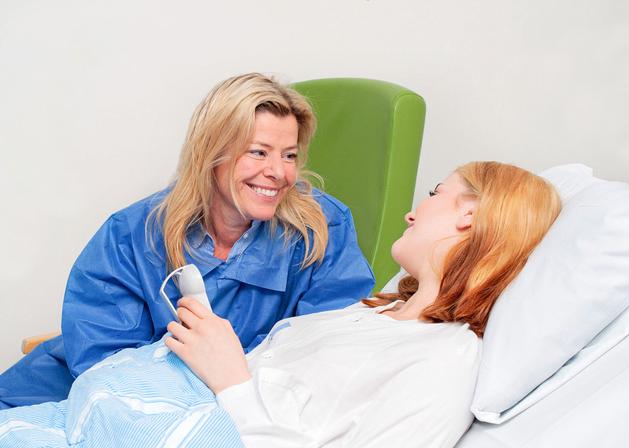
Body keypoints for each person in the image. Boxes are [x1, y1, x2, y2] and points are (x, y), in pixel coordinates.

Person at [0, 161, 561, 448]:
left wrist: (229, 377)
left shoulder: (445, 356)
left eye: (436, 192)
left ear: (469, 215)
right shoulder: (368, 314)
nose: (416, 209)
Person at [0, 73, 375, 409]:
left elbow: (329, 352)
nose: (278, 172)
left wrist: (228, 378)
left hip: (226, 413)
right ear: (213, 152)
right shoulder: (132, 235)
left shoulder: (321, 229)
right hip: (78, 395)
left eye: (290, 155)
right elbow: (105, 369)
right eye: (258, 152)